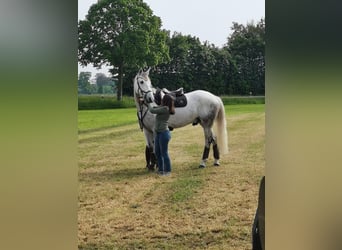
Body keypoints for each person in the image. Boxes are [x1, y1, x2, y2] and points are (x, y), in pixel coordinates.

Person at [147, 94, 175, 176]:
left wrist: (147, 103)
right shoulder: (164, 108)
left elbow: (152, 110)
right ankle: (161, 170)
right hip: (159, 133)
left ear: (165, 100)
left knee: (164, 153)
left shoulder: (165, 109)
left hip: (164, 133)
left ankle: (168, 171)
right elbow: (156, 108)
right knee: (158, 153)